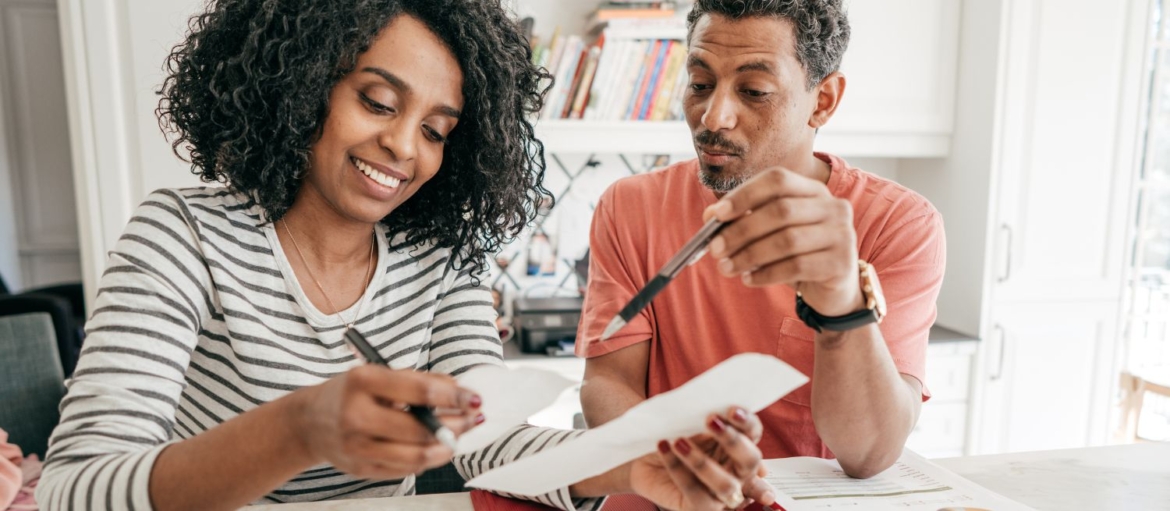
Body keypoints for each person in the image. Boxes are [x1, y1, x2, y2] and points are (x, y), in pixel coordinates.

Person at [35, 1, 776, 510]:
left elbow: (491, 443)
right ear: (301, 87)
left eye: (437, 129)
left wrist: (633, 463)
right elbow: (72, 488)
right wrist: (298, 428)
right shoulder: (182, 238)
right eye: (379, 102)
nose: (403, 146)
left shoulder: (439, 257)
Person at [578, 0, 946, 479]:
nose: (713, 117)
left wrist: (842, 302)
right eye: (700, 84)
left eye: (754, 91)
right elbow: (608, 381)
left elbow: (869, 452)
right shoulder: (630, 206)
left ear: (824, 100)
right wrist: (676, 467)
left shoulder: (898, 224)